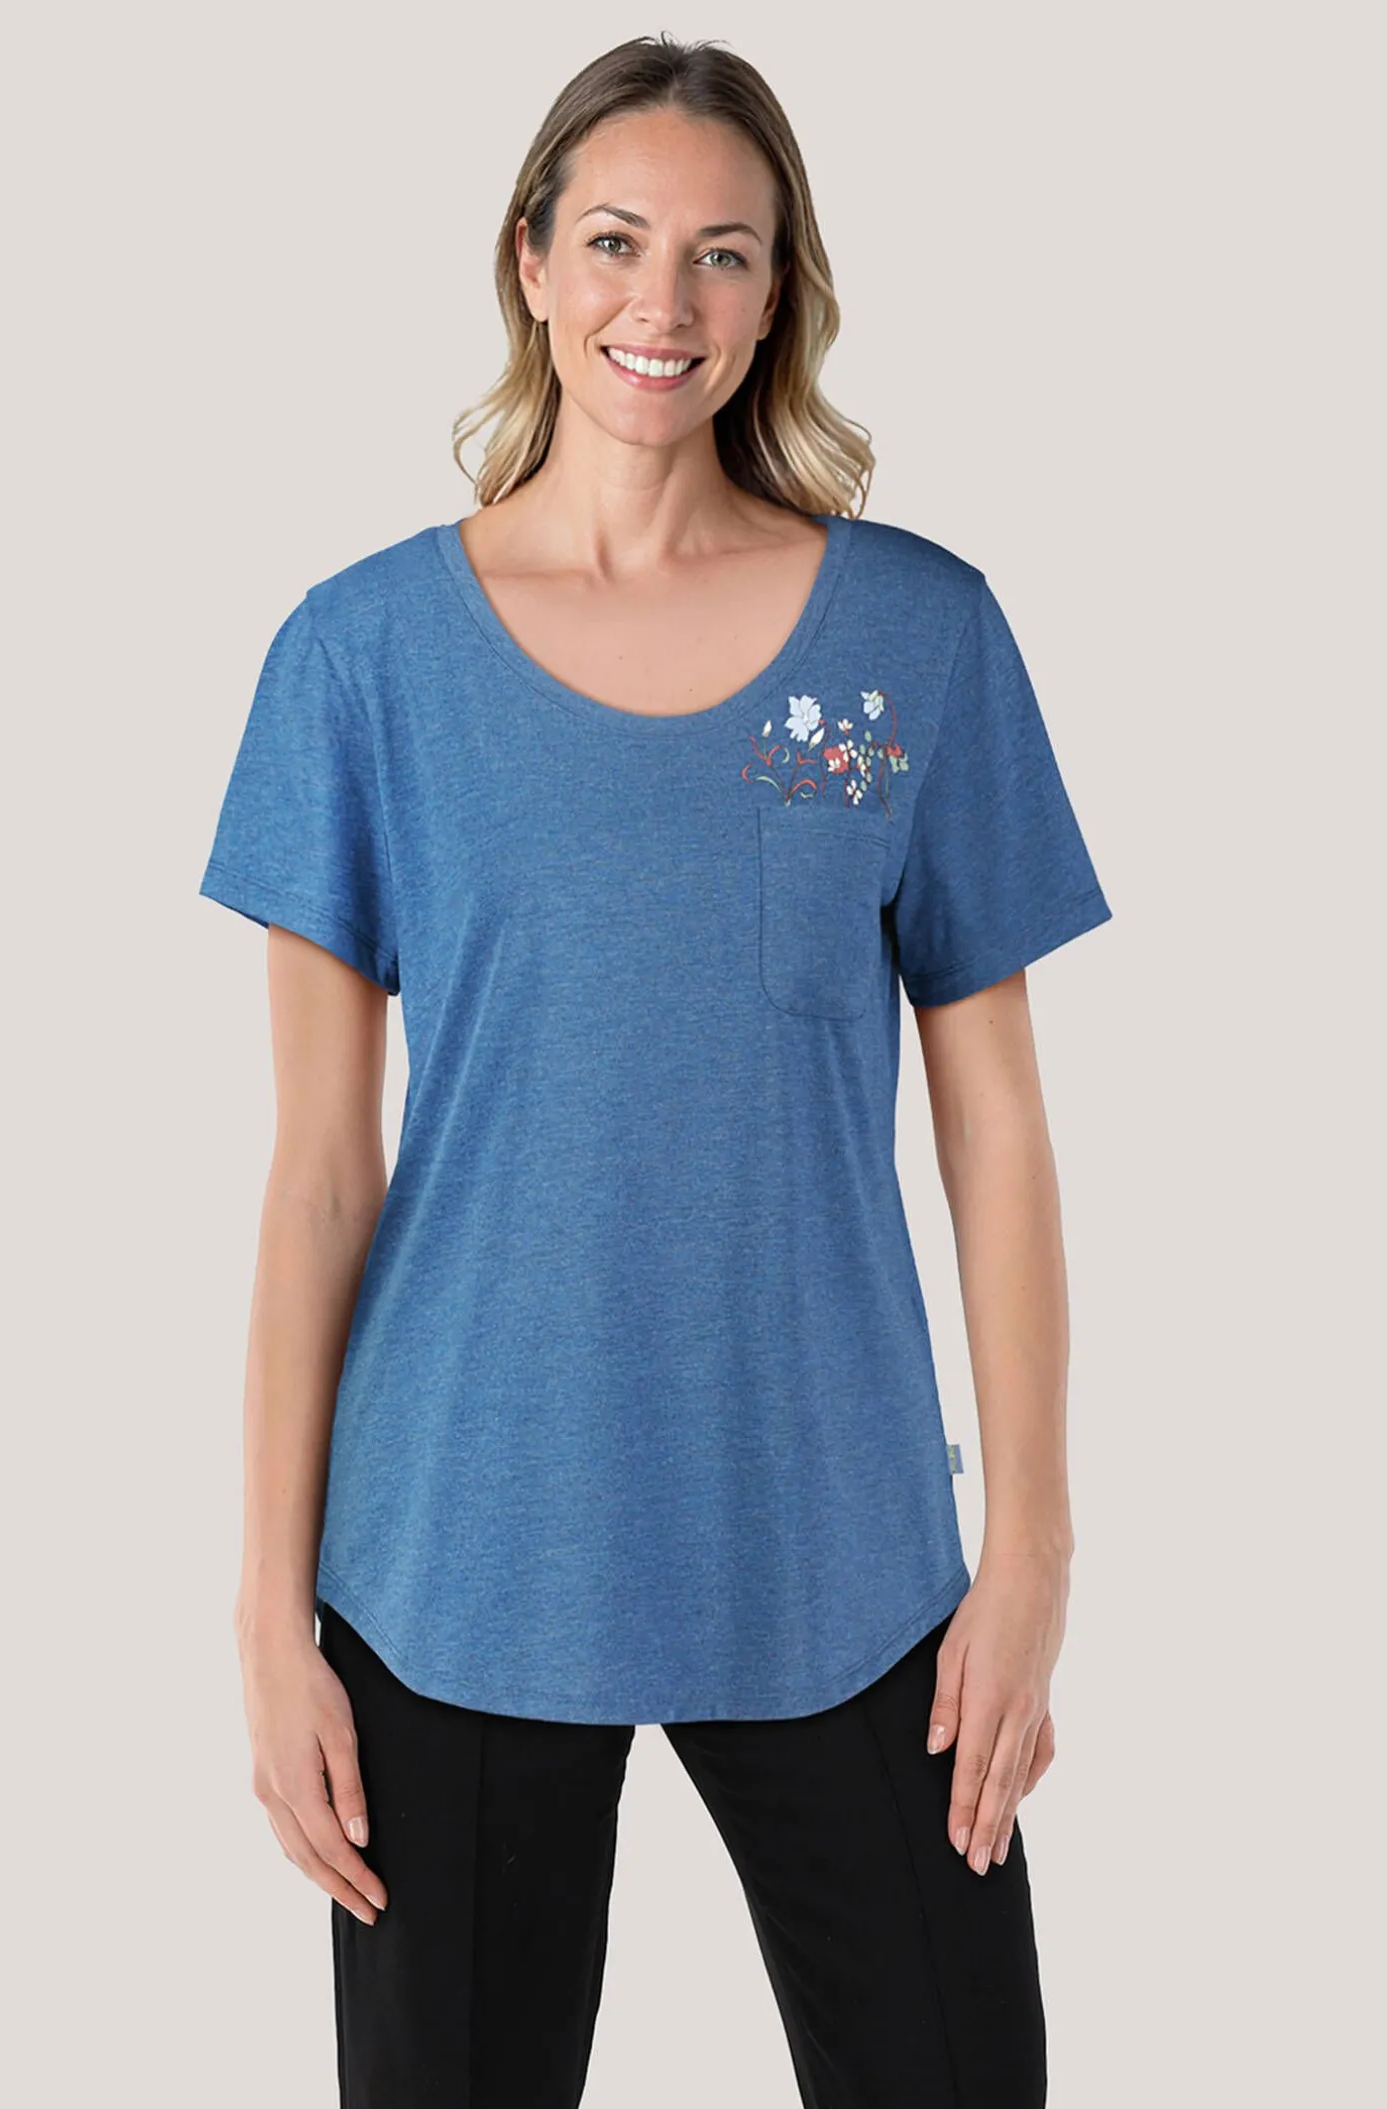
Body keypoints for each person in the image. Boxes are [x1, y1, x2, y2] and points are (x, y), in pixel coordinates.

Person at [197, 33, 1112, 2108]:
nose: (663, 302)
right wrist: (266, 1616)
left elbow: (997, 1130)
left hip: (841, 1548)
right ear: (529, 263)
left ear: (778, 295)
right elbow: (318, 1175)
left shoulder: (913, 638)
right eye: (615, 242)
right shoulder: (359, 659)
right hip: (454, 1556)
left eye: (723, 254)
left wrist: (1034, 1553)